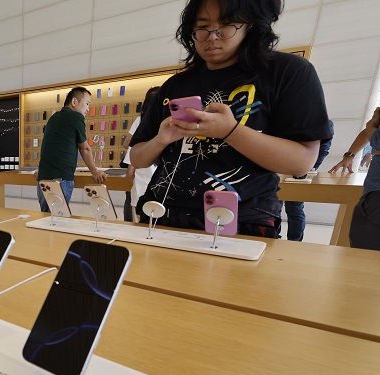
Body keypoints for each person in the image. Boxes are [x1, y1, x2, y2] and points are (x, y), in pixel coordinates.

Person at [130, 0, 332, 237]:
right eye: (202, 27)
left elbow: (302, 161)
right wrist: (161, 141)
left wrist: (230, 132)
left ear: (251, 25)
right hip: (161, 213)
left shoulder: (287, 72)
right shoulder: (175, 85)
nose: (212, 37)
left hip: (241, 220)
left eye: (227, 25)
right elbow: (138, 157)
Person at [36, 87, 107, 212]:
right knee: (57, 220)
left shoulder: (53, 118)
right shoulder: (76, 117)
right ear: (74, 102)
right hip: (61, 180)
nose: (88, 108)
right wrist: (95, 171)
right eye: (87, 103)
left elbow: (49, 146)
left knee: (45, 219)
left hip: (43, 178)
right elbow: (84, 149)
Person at [328, 107, 380, 251]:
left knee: (363, 252)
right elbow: (372, 134)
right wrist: (350, 155)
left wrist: (371, 127)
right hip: (376, 189)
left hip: (379, 192)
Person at [282, 120, 333, 241]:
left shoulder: (323, 123)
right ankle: (274, 237)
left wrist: (307, 168)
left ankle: (294, 242)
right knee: (274, 206)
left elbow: (323, 148)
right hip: (280, 167)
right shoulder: (284, 120)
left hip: (300, 169)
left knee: (294, 207)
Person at [122, 86, 160, 221]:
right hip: (161, 197)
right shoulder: (167, 131)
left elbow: (130, 172)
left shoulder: (141, 132)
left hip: (140, 193)